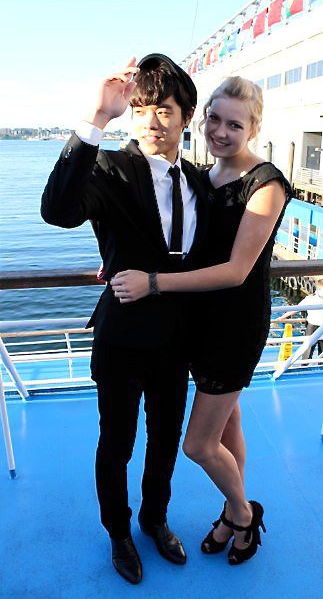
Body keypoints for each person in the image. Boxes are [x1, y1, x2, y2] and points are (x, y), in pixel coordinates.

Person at [109, 76, 293, 565]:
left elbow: (236, 271)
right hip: (197, 323)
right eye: (214, 119)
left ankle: (244, 514)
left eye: (235, 125)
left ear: (254, 128)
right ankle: (232, 508)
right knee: (229, 423)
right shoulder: (202, 177)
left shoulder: (265, 184)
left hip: (234, 327)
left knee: (197, 444)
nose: (221, 132)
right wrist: (121, 260)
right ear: (202, 117)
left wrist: (153, 282)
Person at [41, 54, 210, 585]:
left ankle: (155, 519)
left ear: (186, 116)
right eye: (140, 111)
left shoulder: (200, 181)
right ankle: (118, 531)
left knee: (165, 440)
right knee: (116, 442)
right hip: (122, 336)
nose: (151, 122)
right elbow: (58, 210)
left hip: (177, 339)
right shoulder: (110, 169)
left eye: (163, 110)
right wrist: (98, 117)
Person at [276, 278, 323, 361]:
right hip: (312, 326)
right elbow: (296, 308)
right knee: (308, 350)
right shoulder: (310, 299)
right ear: (319, 289)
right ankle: (304, 365)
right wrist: (282, 317)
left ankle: (322, 365)